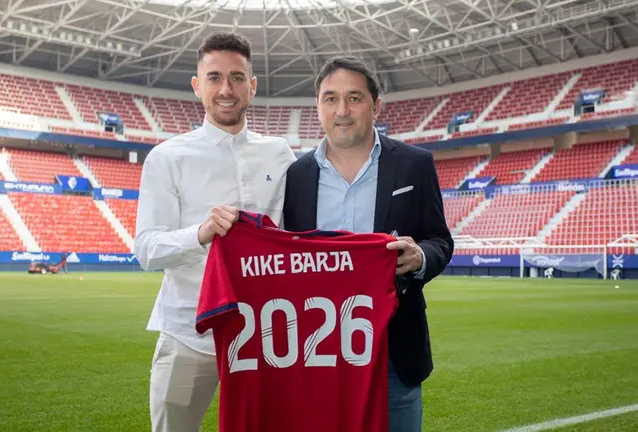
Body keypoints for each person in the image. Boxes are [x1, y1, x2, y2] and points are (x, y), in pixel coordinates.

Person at [134, 31, 296, 432]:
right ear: (197, 85)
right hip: (188, 332)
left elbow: (297, 236)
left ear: (252, 86)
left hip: (264, 334)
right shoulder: (167, 158)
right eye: (215, 77)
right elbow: (147, 249)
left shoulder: (280, 154)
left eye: (237, 78)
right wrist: (200, 233)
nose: (226, 89)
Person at [282, 55, 453, 432]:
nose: (342, 110)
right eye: (330, 98)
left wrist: (420, 256)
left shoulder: (414, 164)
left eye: (354, 98)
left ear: (376, 106)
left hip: (394, 349)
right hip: (317, 349)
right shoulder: (295, 175)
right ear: (317, 107)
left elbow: (440, 240)